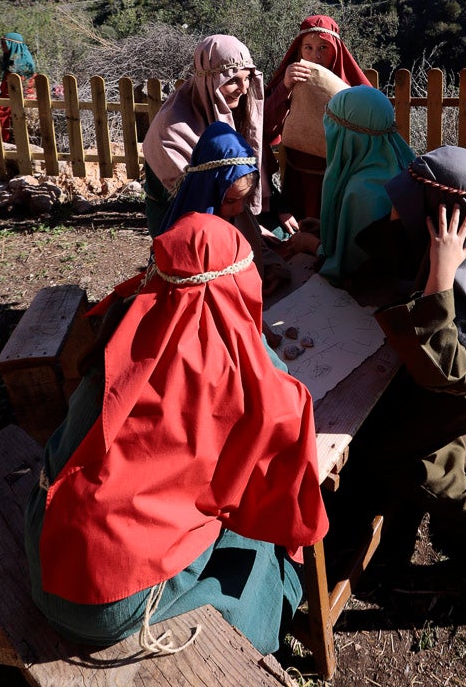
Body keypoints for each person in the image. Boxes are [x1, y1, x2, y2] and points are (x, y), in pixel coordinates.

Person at [24, 211, 328, 656]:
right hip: (105, 601)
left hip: (48, 552)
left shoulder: (123, 327)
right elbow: (284, 411)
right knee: (253, 524)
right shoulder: (233, 368)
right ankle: (257, 625)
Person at [352, 146, 466, 585]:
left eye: (409, 203)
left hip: (459, 395)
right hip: (436, 385)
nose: (397, 208)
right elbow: (384, 265)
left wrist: (441, 274)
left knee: (393, 458)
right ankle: (427, 490)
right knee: (389, 427)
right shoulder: (437, 248)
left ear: (443, 217)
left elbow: (448, 370)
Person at [142, 34, 264, 235]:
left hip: (228, 212)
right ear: (209, 81)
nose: (243, 90)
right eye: (233, 81)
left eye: (247, 78)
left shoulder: (229, 106)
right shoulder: (172, 127)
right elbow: (197, 197)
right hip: (179, 221)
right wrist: (251, 229)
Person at [159, 121, 291, 295]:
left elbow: (256, 247)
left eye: (245, 199)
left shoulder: (240, 214)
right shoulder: (190, 233)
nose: (239, 208)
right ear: (209, 191)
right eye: (230, 201)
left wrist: (273, 267)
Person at [264, 15, 371, 228]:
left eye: (324, 47)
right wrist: (284, 87)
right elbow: (265, 127)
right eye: (308, 48)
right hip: (299, 179)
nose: (316, 56)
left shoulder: (354, 89)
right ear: (299, 50)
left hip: (341, 180)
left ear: (336, 50)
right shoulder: (291, 81)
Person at [315, 85, 414, 283]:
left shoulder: (363, 193)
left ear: (347, 136)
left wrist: (312, 245)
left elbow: (351, 266)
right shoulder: (404, 164)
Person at [0, 31, 38, 142]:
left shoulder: (23, 62)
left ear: (12, 45)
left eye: (4, 44)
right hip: (7, 96)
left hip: (18, 98)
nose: (2, 46)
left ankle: (1, 141)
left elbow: (25, 87)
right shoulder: (11, 58)